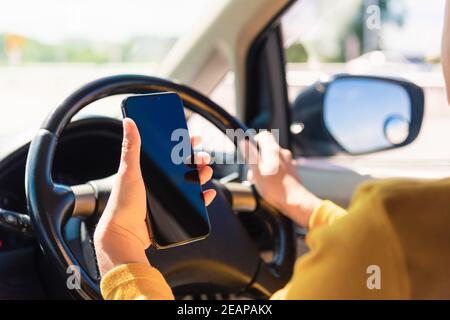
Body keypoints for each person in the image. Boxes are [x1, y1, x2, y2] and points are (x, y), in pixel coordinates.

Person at [93, 2, 450, 299]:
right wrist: (295, 200)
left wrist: (119, 250)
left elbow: (383, 244)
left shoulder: (394, 229)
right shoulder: (413, 233)